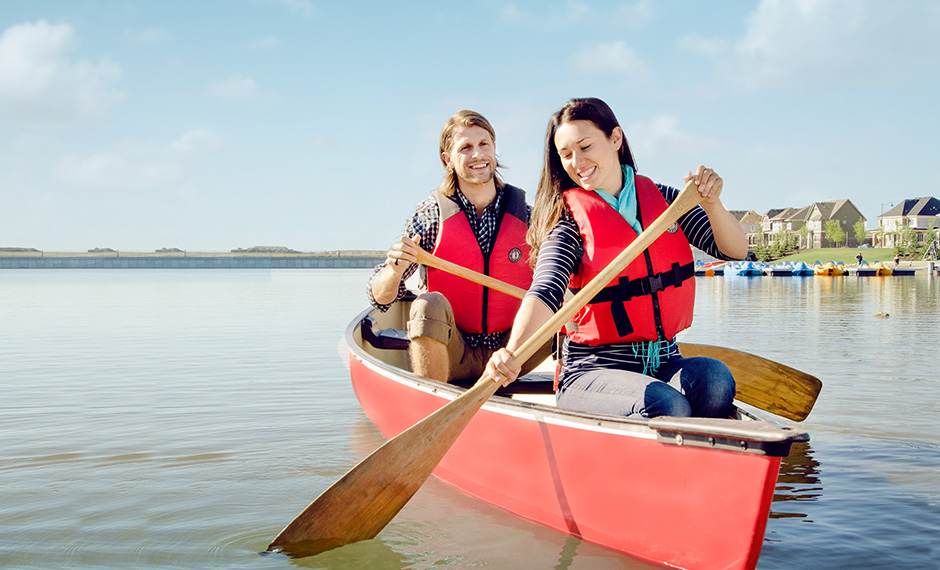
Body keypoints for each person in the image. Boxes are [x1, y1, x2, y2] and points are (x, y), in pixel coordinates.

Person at [485, 98, 748, 419]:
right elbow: (545, 291)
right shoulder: (567, 221)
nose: (577, 161)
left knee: (715, 380)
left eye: (585, 147)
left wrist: (712, 204)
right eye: (566, 155)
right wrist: (510, 353)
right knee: (666, 404)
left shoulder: (665, 200)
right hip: (594, 371)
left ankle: (698, 454)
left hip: (664, 361)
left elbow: (734, 251)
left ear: (615, 139)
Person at [368, 110, 549, 383]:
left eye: (484, 144)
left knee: (565, 304)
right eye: (466, 148)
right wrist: (394, 273)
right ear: (448, 159)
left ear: (494, 149)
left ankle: (577, 391)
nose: (478, 154)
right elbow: (381, 299)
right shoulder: (430, 216)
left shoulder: (527, 216)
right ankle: (436, 403)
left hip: (514, 352)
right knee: (428, 303)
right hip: (454, 350)